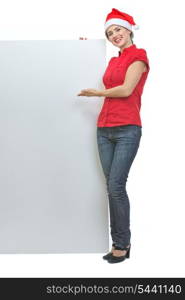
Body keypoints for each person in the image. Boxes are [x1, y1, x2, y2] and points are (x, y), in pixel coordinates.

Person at [78, 8, 150, 264]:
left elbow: (126, 90)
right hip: (104, 129)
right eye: (110, 33)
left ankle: (122, 243)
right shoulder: (112, 61)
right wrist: (81, 54)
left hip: (127, 129)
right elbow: (106, 81)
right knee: (111, 188)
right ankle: (119, 241)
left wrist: (97, 94)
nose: (114, 35)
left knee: (116, 187)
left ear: (129, 29)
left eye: (118, 29)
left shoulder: (139, 56)